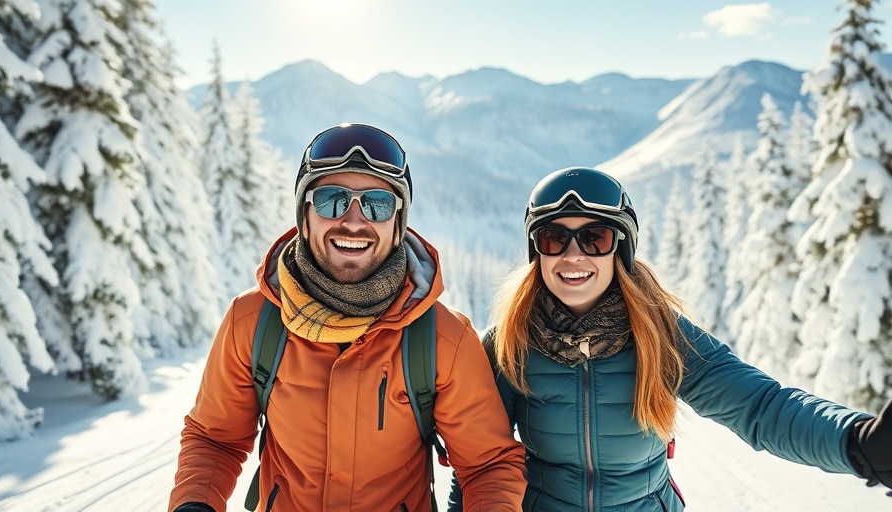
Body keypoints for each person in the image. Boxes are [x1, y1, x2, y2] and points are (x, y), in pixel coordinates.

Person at [448, 166, 892, 511]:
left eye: (594, 237)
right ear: (536, 251)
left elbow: (761, 407)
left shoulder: (663, 336)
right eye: (553, 237)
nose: (573, 254)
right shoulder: (508, 345)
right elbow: (479, 462)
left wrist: (857, 442)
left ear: (620, 249)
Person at [168, 123, 526, 512]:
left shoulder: (443, 338)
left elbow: (487, 464)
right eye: (331, 200)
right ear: (305, 216)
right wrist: (194, 504)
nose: (354, 222)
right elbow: (214, 438)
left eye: (377, 203)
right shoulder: (253, 322)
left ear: (397, 224)